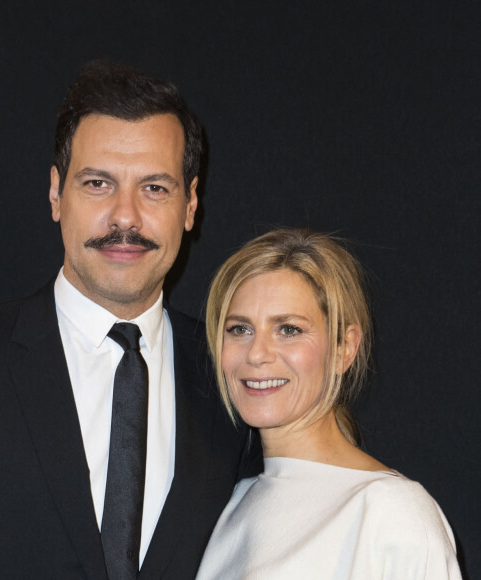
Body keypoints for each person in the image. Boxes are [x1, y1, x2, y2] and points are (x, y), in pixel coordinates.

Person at [0, 60, 260, 580]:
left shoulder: (232, 375)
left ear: (191, 204)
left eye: (155, 188)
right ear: (55, 193)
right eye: (97, 183)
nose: (125, 217)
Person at [196, 228, 462, 579]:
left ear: (344, 349)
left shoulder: (392, 512)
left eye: (288, 329)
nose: (257, 354)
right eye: (239, 329)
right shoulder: (234, 504)